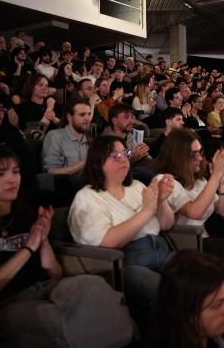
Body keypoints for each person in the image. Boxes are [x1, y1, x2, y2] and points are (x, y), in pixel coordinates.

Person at [0, 143, 134, 348]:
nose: (12, 179)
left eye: (16, 171)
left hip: (48, 287)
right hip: (7, 304)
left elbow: (54, 272)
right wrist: (29, 248)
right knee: (65, 323)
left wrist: (42, 238)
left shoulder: (25, 214)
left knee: (95, 287)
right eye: (0, 174)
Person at [68, 135, 175, 326]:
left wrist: (162, 200)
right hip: (129, 263)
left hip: (163, 252)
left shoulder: (136, 187)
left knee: (200, 281)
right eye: (115, 156)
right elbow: (106, 242)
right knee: (172, 297)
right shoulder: (87, 197)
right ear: (98, 162)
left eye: (125, 154)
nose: (124, 159)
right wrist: (147, 210)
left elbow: (166, 224)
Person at [154, 128, 224, 227]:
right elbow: (194, 212)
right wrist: (216, 176)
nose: (200, 158)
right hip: (187, 240)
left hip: (203, 237)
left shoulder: (199, 180)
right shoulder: (165, 180)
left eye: (200, 152)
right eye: (193, 155)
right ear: (178, 157)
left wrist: (222, 183)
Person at [41, 98, 92, 175]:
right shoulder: (55, 136)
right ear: (69, 117)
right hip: (64, 185)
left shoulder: (89, 139)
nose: (88, 118)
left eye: (89, 114)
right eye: (82, 114)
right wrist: (87, 161)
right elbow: (51, 172)